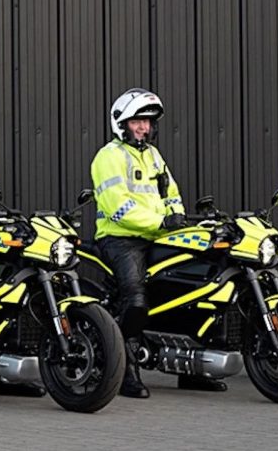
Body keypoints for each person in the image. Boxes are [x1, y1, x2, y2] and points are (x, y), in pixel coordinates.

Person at [92, 88, 227, 397]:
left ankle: (190, 367)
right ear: (122, 123)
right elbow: (117, 206)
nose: (143, 127)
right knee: (136, 298)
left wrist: (176, 215)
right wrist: (161, 222)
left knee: (192, 288)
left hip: (157, 235)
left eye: (148, 122)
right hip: (120, 239)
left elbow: (171, 193)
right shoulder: (109, 156)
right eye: (137, 121)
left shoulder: (153, 155)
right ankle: (125, 370)